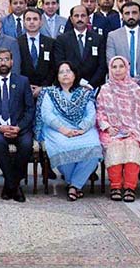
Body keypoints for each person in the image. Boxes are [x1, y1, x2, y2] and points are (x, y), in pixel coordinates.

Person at [35, 61, 103, 201]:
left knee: (94, 146)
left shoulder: (85, 92)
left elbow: (91, 114)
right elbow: (47, 115)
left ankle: (73, 185)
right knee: (63, 146)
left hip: (82, 129)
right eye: (61, 72)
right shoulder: (50, 93)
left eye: (68, 71)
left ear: (75, 74)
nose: (65, 74)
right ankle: (75, 184)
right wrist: (64, 129)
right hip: (57, 130)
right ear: (57, 76)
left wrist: (82, 129)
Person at [0, 49, 35, 202]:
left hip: (19, 128)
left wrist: (19, 127)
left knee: (26, 144)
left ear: (12, 62)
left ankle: (9, 185)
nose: (3, 62)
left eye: (6, 59)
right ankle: (14, 185)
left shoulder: (23, 81)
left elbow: (30, 109)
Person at [96, 56, 140, 203]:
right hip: (111, 131)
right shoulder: (105, 89)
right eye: (114, 67)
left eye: (121, 66)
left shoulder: (135, 89)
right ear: (110, 69)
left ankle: (129, 187)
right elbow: (100, 112)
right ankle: (115, 186)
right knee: (115, 146)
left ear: (127, 68)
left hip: (133, 130)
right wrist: (108, 127)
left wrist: (133, 129)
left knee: (132, 146)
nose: (117, 70)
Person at [106, 1, 140, 105]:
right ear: (122, 16)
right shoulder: (113, 36)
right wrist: (126, 80)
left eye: (134, 13)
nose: (131, 16)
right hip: (119, 87)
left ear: (139, 15)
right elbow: (111, 61)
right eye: (127, 13)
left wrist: (139, 80)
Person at [53, 5, 107, 89]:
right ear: (71, 19)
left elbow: (102, 65)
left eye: (83, 15)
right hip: (69, 86)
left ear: (88, 18)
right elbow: (60, 63)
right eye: (76, 16)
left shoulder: (98, 39)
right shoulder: (62, 39)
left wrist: (90, 85)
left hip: (93, 87)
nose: (80, 19)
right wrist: (74, 82)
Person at [19, 8, 55, 97]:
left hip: (45, 91)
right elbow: (16, 68)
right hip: (22, 91)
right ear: (23, 22)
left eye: (35, 19)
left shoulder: (51, 43)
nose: (31, 22)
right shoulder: (16, 43)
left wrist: (43, 87)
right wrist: (26, 86)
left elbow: (54, 67)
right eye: (28, 19)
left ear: (41, 22)